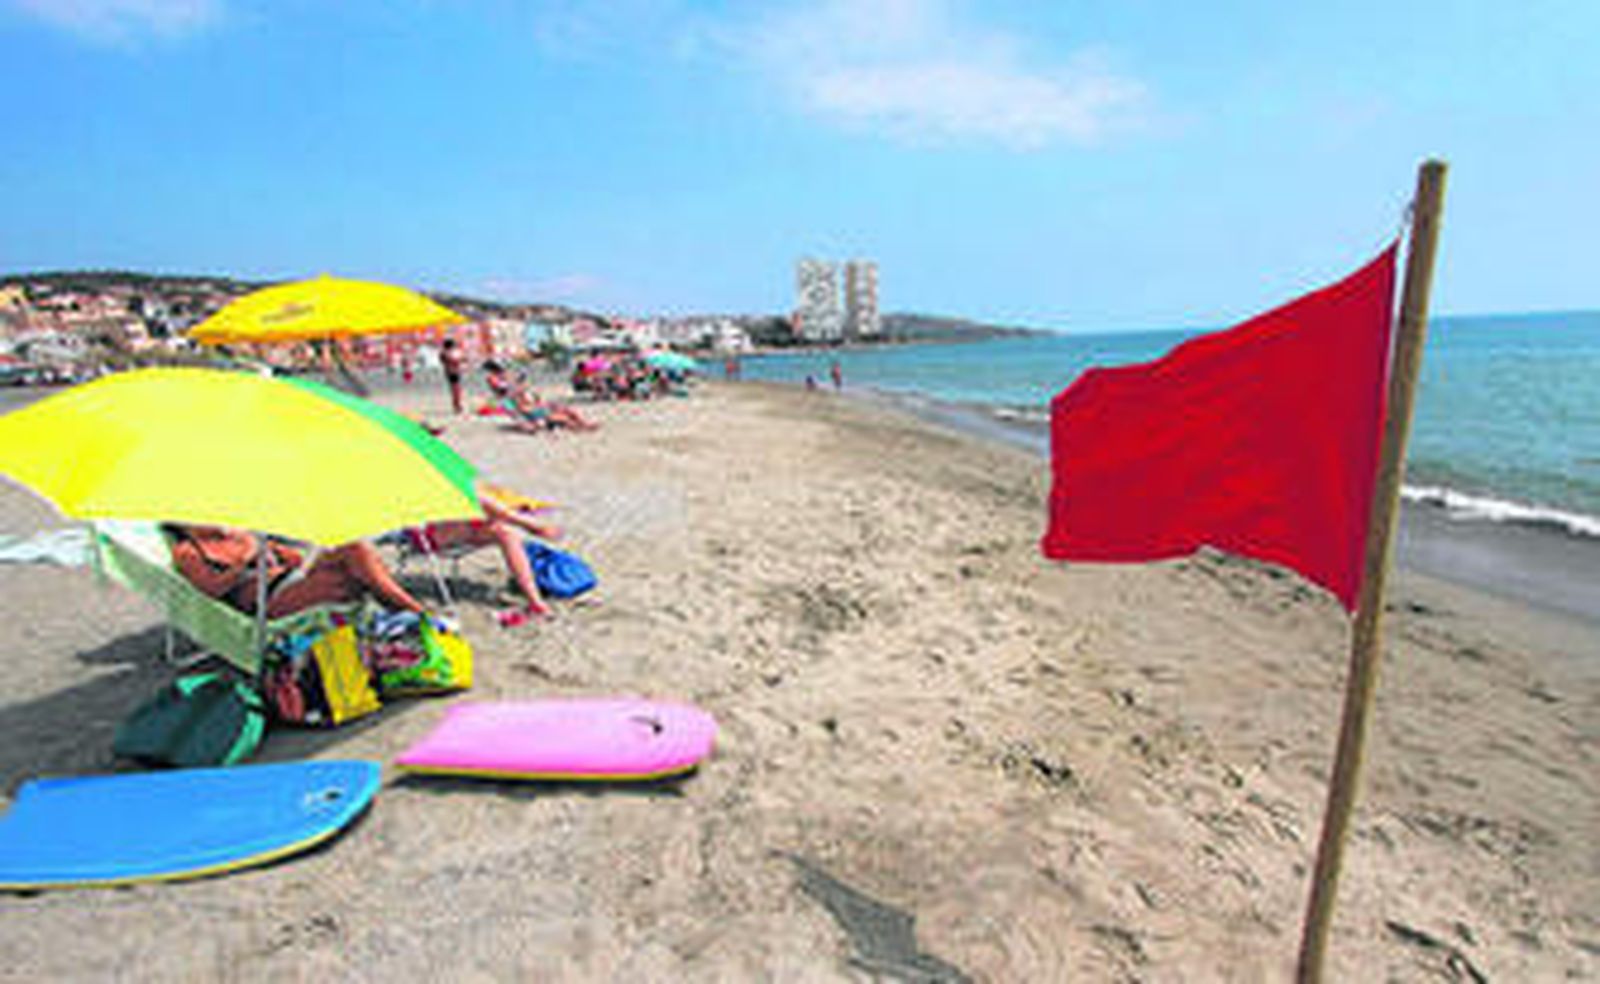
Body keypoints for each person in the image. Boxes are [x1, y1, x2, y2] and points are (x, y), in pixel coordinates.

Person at [165, 524, 425, 619]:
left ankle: (413, 613)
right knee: (346, 580)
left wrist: (277, 553)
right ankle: (419, 617)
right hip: (266, 600)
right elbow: (210, 589)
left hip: (289, 578)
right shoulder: (188, 551)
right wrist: (244, 562)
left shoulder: (239, 532)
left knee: (355, 548)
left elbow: (296, 559)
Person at [419, 488, 563, 627]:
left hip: (450, 523)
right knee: (479, 500)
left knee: (506, 533)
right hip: (424, 534)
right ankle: (530, 524)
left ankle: (536, 603)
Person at [440, 338, 465, 414]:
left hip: (451, 372)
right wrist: (459, 359)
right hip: (453, 372)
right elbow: (454, 361)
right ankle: (457, 405)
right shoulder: (446, 353)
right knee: (456, 390)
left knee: (456, 389)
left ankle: (457, 405)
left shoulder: (444, 353)